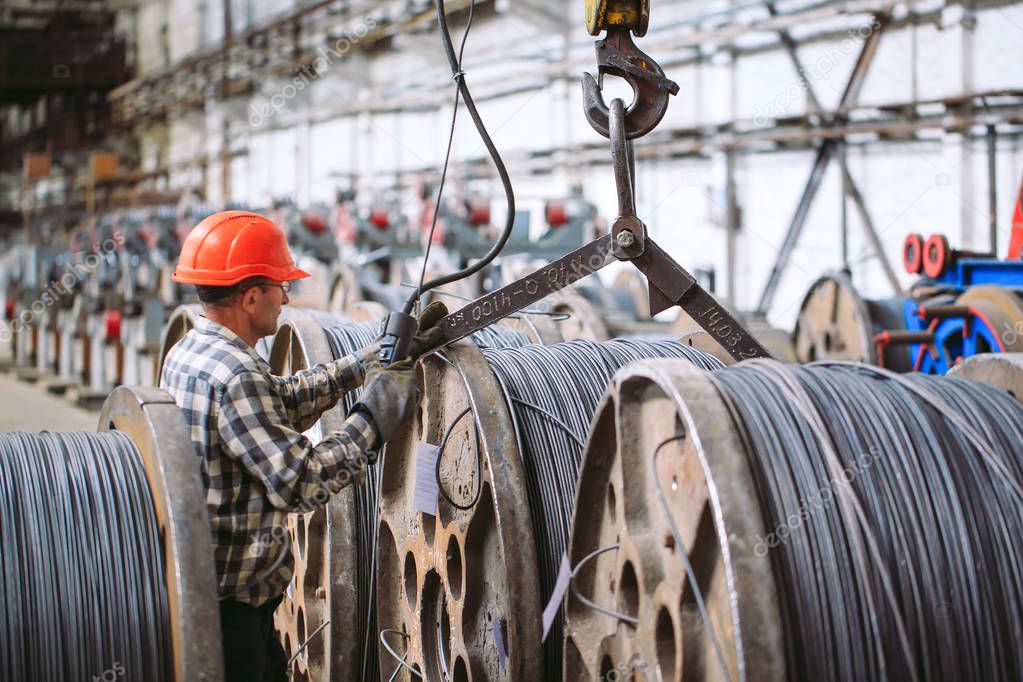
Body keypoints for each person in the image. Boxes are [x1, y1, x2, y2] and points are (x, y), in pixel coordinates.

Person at [160, 210, 444, 682]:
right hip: (234, 617)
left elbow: (277, 401)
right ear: (251, 298)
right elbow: (302, 482)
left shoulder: (190, 352)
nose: (287, 297)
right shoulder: (236, 375)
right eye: (280, 286)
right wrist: (375, 415)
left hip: (206, 593)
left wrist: (372, 359)